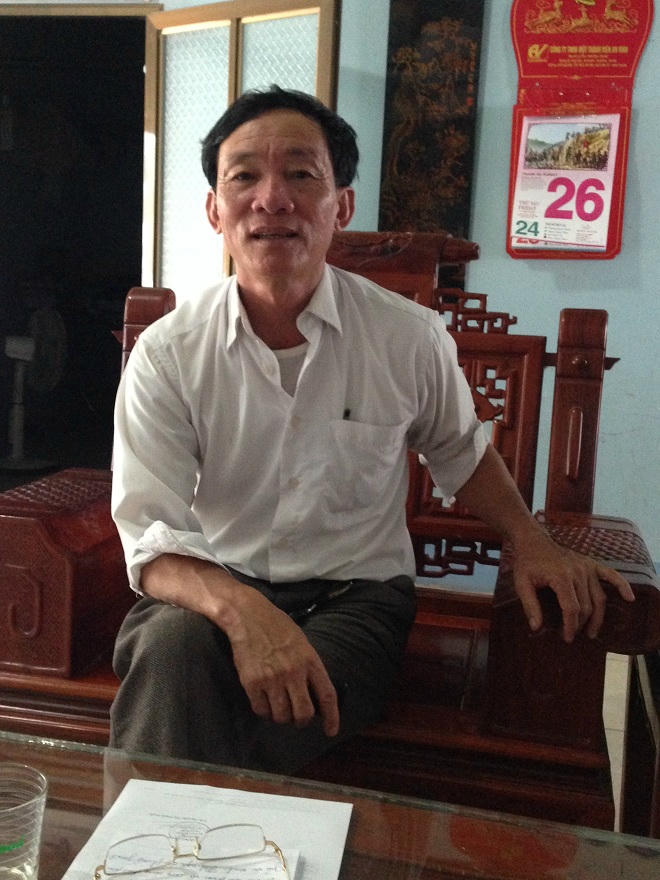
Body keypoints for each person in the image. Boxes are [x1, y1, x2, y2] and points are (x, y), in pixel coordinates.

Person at [109, 85, 633, 772]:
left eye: (302, 174)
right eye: (244, 177)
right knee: (169, 652)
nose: (272, 199)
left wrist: (532, 541)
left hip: (354, 600)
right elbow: (148, 531)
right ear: (215, 209)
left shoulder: (406, 337)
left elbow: (460, 451)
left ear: (342, 206)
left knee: (285, 707)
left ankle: (157, 832)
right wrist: (243, 611)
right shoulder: (169, 353)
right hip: (215, 587)